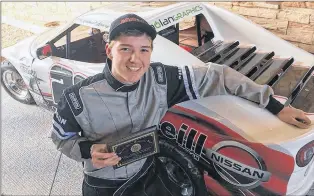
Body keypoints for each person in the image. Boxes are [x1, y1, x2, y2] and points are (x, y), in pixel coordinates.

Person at [51, 13, 312, 196]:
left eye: (144, 49)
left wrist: (276, 107)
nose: (136, 59)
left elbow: (219, 75)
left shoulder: (162, 78)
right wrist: (87, 150)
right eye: (125, 49)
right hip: (103, 185)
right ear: (109, 51)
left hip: (149, 174)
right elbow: (61, 139)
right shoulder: (76, 98)